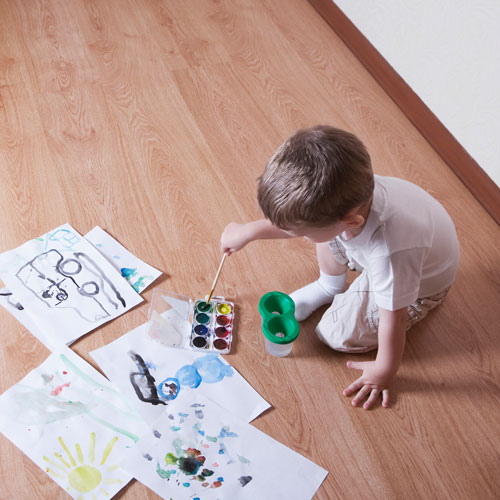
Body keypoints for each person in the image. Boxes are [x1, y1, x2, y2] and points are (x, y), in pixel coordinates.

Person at [220, 125, 460, 410]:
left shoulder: (390, 252)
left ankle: (340, 290)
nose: (301, 238)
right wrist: (250, 231)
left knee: (332, 334)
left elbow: (393, 319)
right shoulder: (348, 197)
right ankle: (329, 285)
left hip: (415, 287)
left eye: (301, 233)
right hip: (376, 252)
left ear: (351, 222)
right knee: (323, 230)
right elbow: (308, 222)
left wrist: (384, 371)